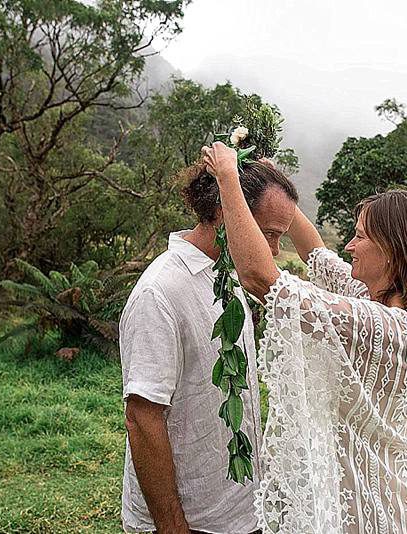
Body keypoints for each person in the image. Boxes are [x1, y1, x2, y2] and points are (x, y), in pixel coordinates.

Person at [202, 141, 407, 534]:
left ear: (395, 252)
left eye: (361, 237)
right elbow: (313, 251)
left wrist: (228, 177)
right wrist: (276, 188)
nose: (350, 246)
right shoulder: (371, 301)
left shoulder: (382, 326)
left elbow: (260, 277)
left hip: (386, 513)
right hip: (382, 500)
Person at [119, 161, 298, 534]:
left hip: (238, 510)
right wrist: (172, 527)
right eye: (268, 233)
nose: (276, 251)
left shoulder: (230, 279)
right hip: (191, 520)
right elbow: (143, 418)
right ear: (224, 210)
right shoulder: (160, 293)